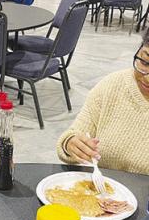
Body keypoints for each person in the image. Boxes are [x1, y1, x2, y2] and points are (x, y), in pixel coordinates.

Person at [57, 31, 149, 175]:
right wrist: (71, 143)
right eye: (144, 62)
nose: (147, 78)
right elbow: (73, 135)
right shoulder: (113, 85)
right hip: (99, 192)